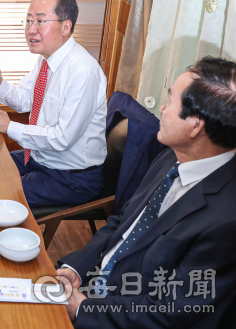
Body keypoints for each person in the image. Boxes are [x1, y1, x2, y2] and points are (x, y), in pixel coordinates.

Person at [57, 57, 236, 328]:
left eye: (171, 102)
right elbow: (122, 224)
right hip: (97, 292)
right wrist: (77, 269)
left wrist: (82, 308)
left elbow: (170, 312)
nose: (161, 108)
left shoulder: (226, 219)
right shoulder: (171, 157)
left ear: (195, 125)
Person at [0, 0, 107, 207]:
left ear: (66, 26)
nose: (31, 30)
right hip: (40, 159)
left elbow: (62, 138)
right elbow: (24, 100)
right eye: (28, 21)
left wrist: (10, 127)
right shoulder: (48, 59)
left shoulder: (83, 72)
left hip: (70, 177)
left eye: (40, 21)